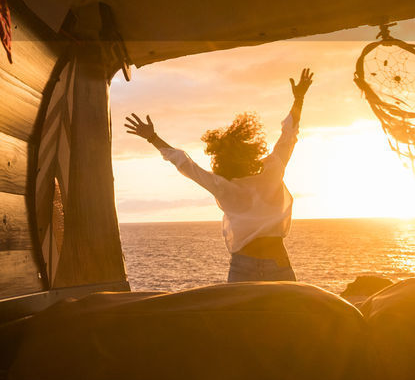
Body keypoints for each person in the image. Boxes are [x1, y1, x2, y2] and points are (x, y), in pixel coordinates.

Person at [124, 68, 314, 282]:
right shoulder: (272, 170)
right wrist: (299, 98)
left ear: (221, 160)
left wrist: (153, 138)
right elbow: (289, 134)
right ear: (251, 150)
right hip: (277, 261)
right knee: (288, 315)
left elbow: (185, 163)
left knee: (239, 316)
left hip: (243, 267)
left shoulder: (222, 186)